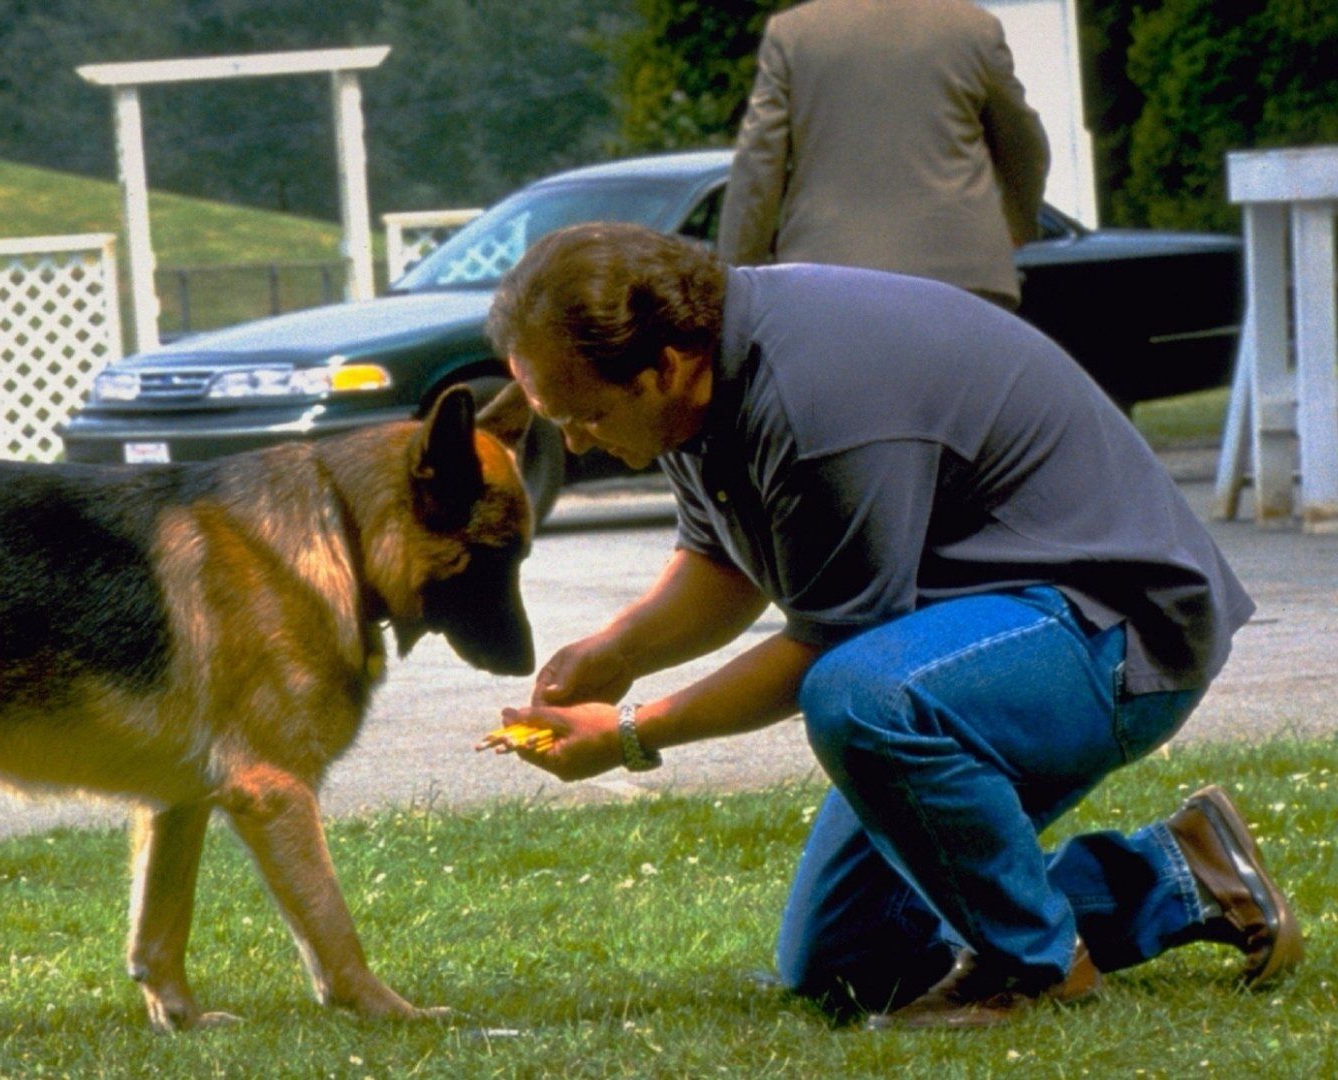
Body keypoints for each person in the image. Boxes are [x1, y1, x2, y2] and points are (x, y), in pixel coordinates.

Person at [479, 222, 1300, 1029]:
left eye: (583, 416)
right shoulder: (700, 378)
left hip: (1116, 627)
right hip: (984, 633)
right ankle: (1181, 875)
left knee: (860, 694)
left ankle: (1035, 969)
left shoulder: (811, 393)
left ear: (662, 366)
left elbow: (829, 640)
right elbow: (725, 567)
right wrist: (615, 651)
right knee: (846, 960)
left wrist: (630, 734)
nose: (575, 441)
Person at [716, 0, 1050, 309]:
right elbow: (1024, 143)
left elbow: (758, 164)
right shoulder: (973, 28)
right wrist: (1018, 222)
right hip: (965, 274)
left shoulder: (794, 33)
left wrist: (739, 274)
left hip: (829, 277)